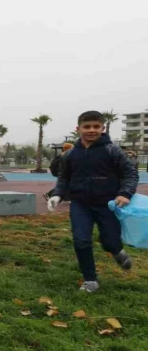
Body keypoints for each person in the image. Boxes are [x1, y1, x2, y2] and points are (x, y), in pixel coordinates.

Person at [48, 111, 139, 293]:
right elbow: (63, 178)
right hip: (80, 204)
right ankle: (90, 280)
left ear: (102, 128)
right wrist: (58, 194)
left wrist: (125, 193)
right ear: (78, 129)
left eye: (96, 126)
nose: (91, 130)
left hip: (108, 204)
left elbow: (130, 173)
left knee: (110, 241)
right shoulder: (70, 155)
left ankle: (116, 250)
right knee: (81, 241)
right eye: (87, 126)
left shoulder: (112, 151)